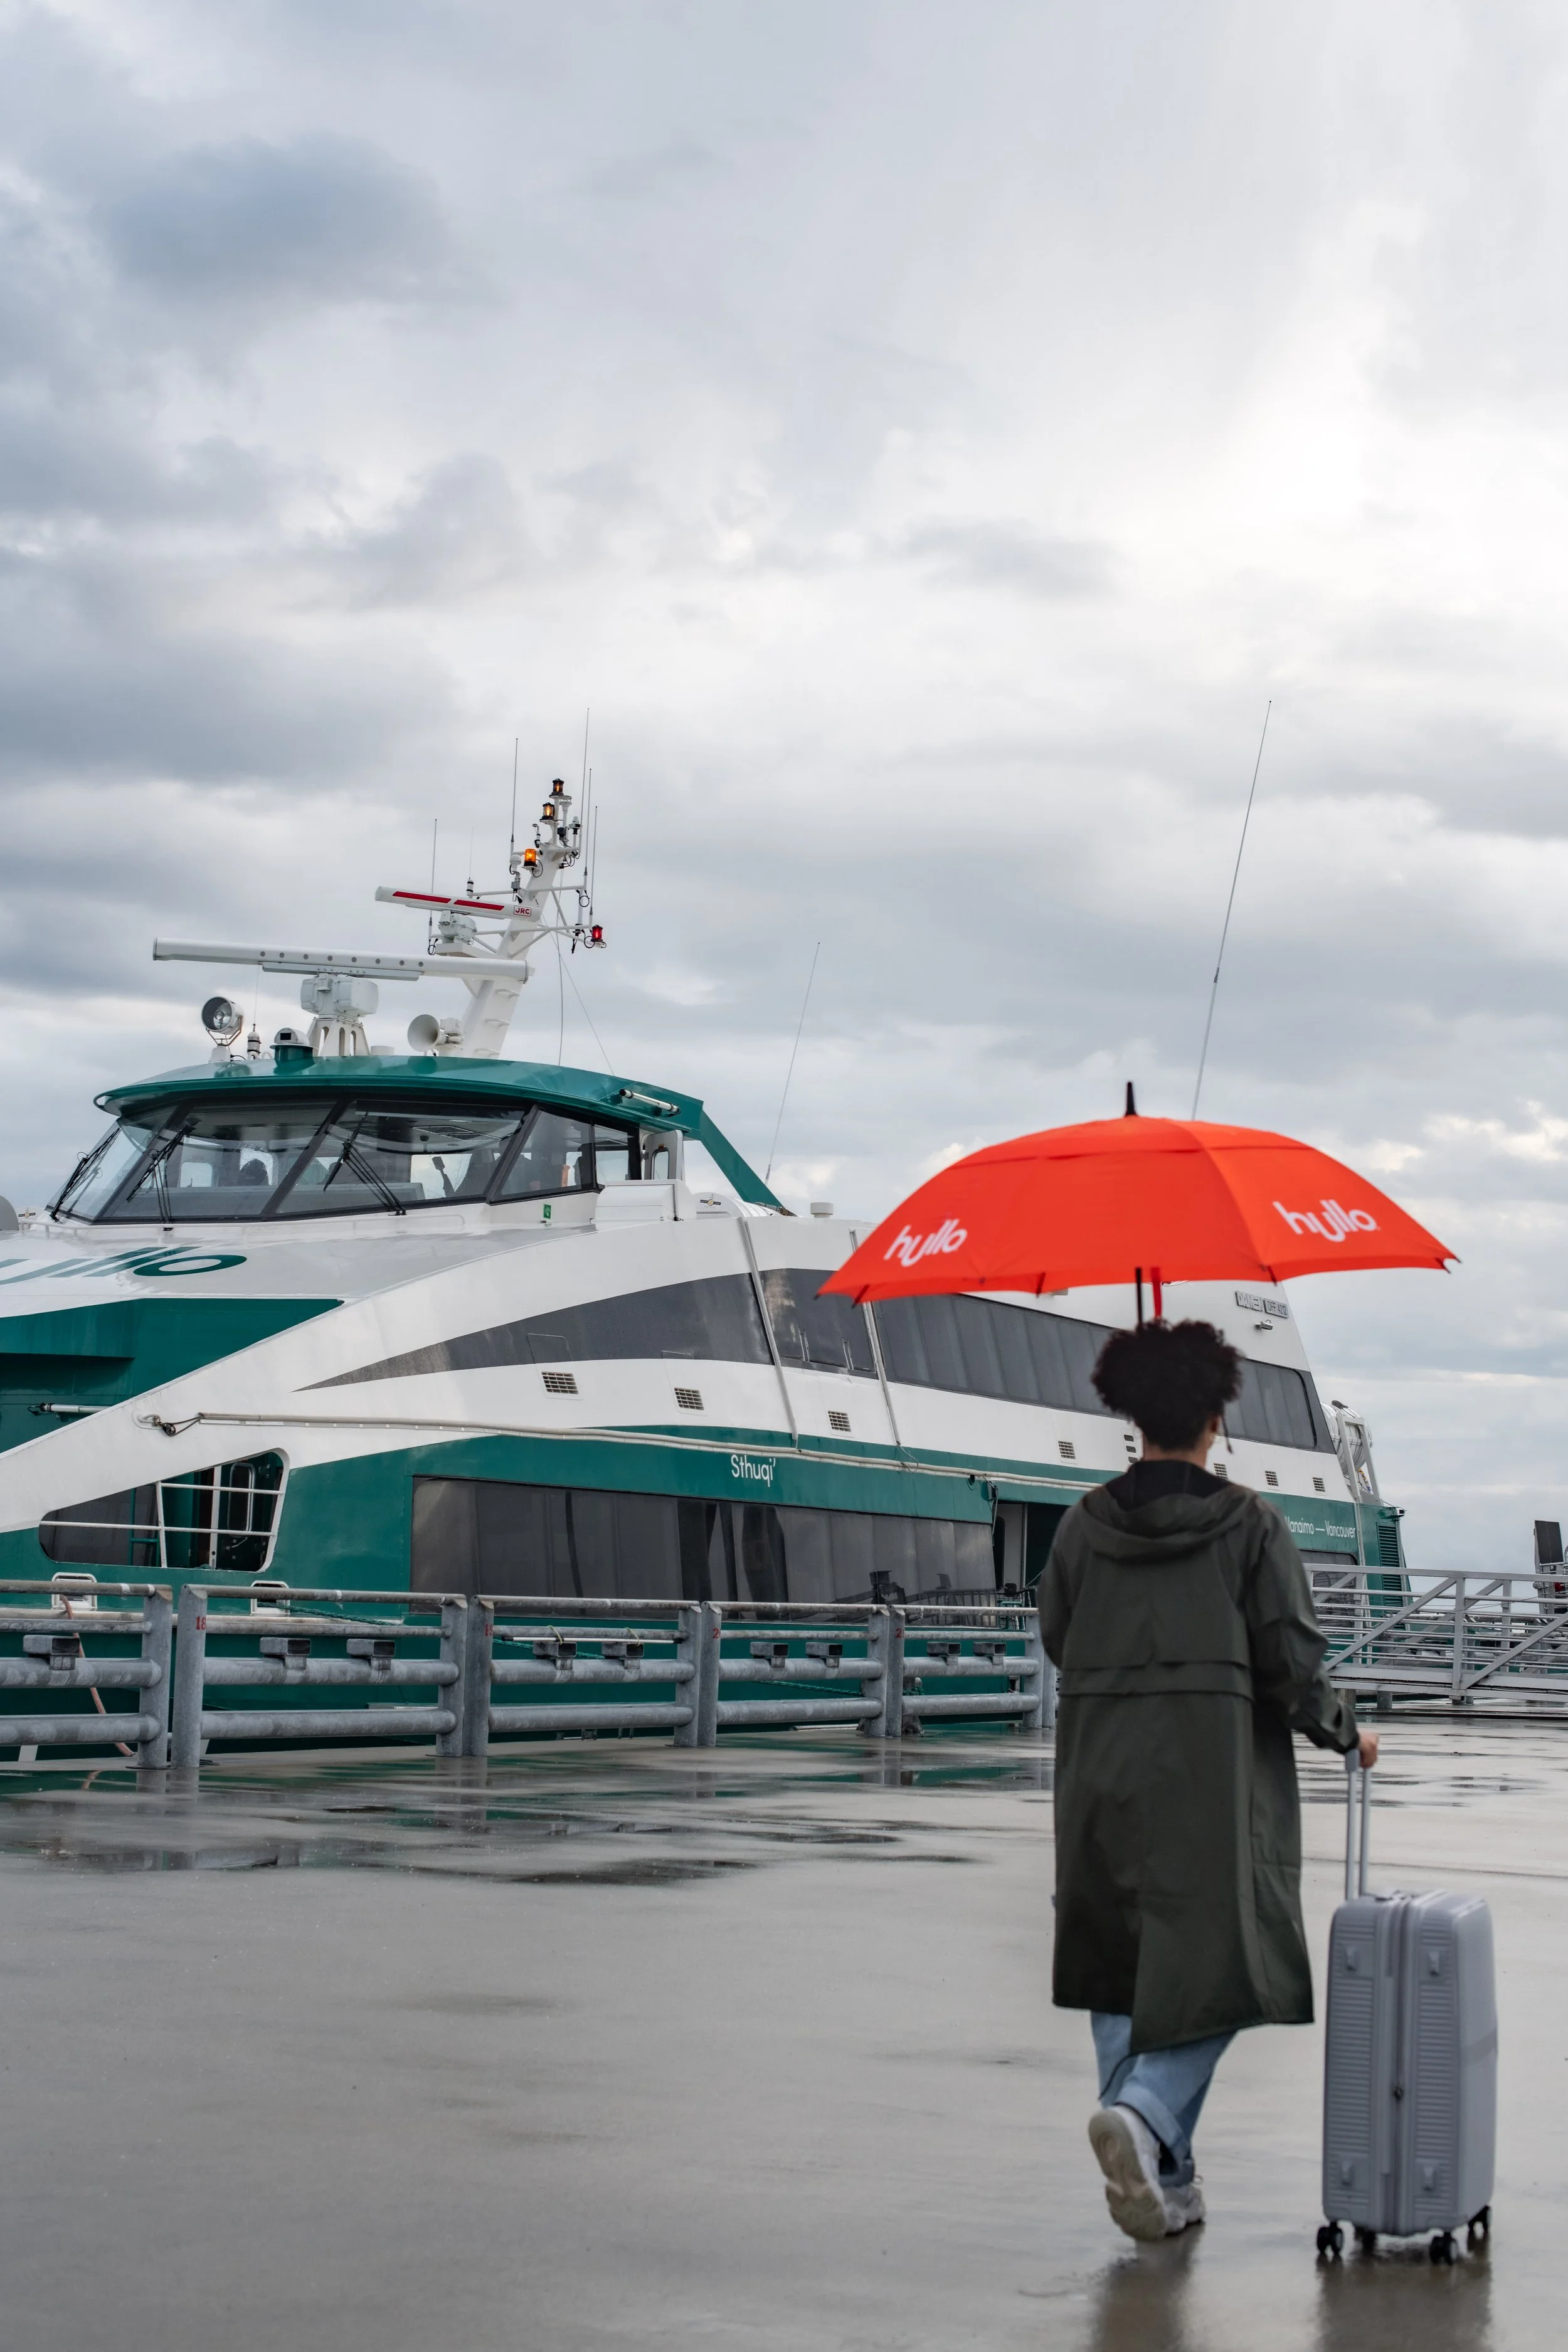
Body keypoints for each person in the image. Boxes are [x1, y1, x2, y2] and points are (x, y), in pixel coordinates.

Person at [1038, 1317, 1377, 2243]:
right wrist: (1348, 1734)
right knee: (1228, 1965)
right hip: (1211, 1781)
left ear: (1131, 1414)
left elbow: (1057, 1638)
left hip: (1100, 1772)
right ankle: (1146, 2118)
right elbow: (1294, 1664)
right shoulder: (1251, 1527)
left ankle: (1165, 2174)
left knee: (1119, 1959)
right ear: (1216, 1416)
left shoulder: (1080, 1526)